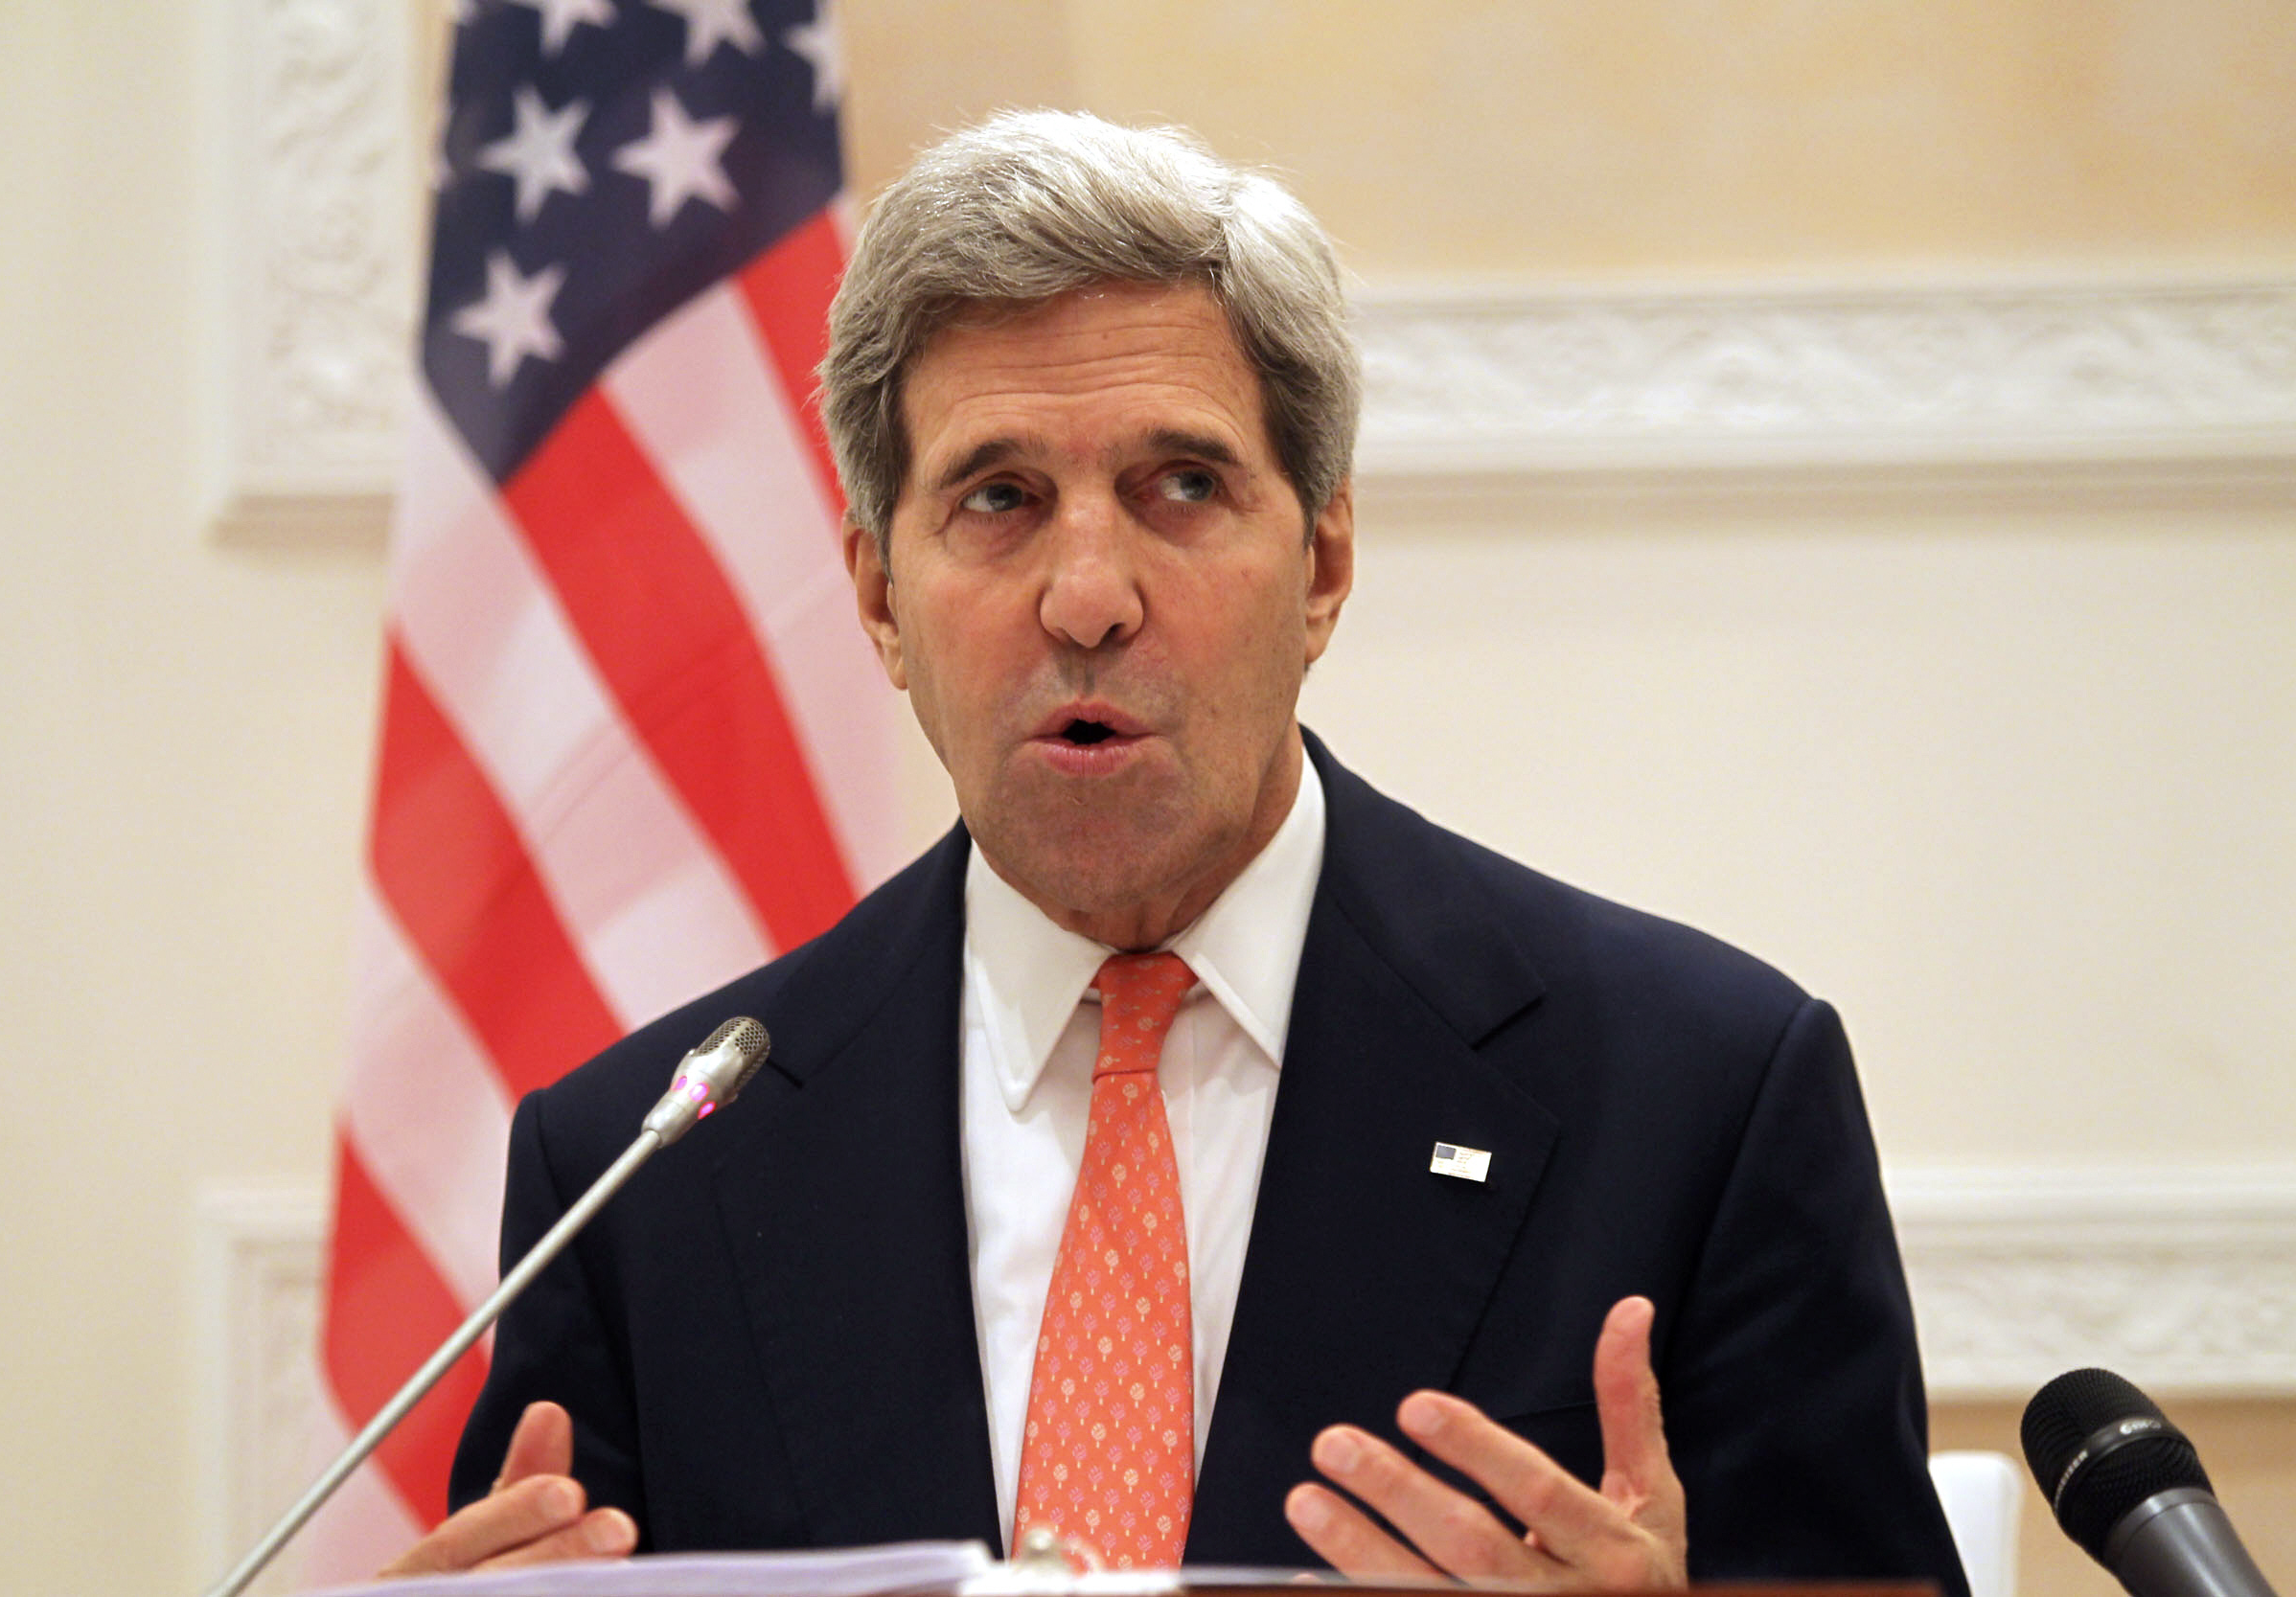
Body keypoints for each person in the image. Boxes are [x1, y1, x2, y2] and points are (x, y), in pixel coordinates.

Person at [384, 110, 1967, 1592]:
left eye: (1183, 486)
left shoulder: (1699, 1100)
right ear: (878, 598)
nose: (1089, 596)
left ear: (1325, 560)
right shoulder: (642, 1177)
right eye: (999, 498)